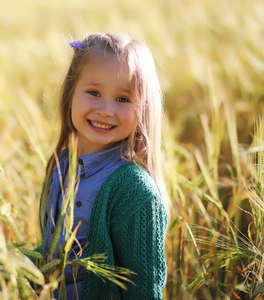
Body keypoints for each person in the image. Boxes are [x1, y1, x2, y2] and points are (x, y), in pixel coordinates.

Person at [36, 33, 169, 300]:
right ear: (70, 94)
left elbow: (143, 288)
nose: (106, 110)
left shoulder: (134, 191)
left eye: (122, 99)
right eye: (93, 93)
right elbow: (55, 249)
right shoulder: (63, 164)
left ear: (142, 109)